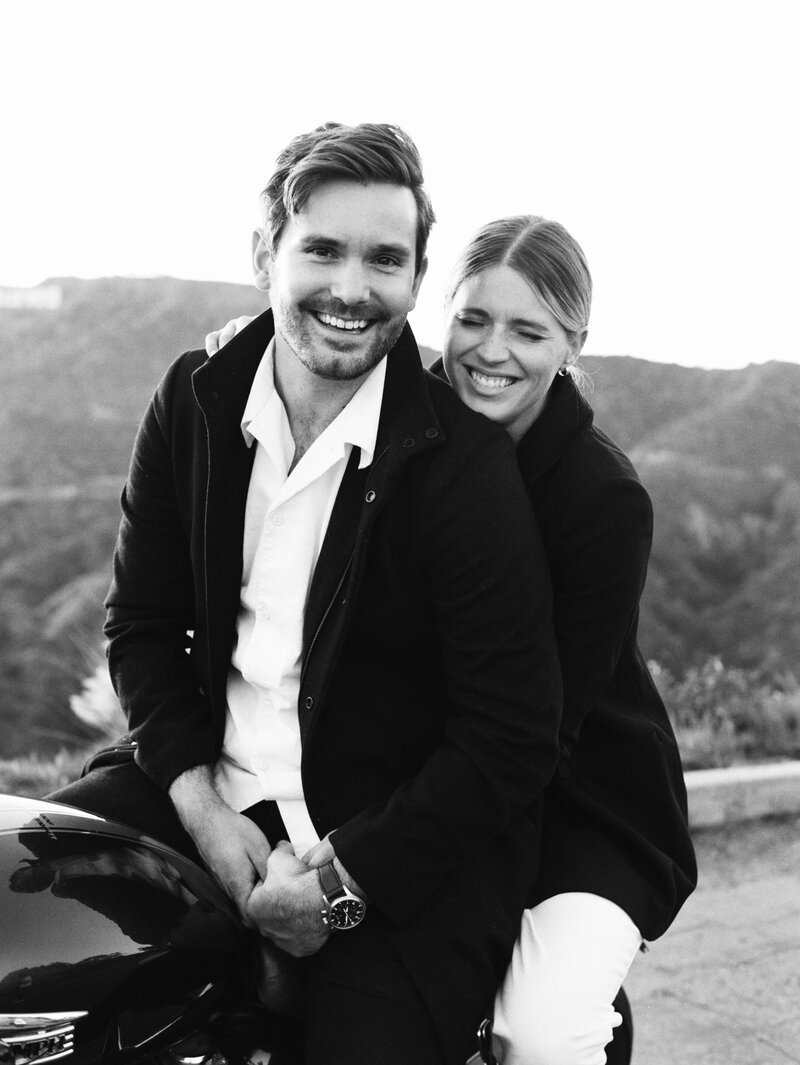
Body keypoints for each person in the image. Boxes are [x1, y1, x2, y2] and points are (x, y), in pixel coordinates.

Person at [48, 123, 564, 1065]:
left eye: (386, 259)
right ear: (264, 255)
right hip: (204, 783)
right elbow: (143, 625)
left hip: (402, 844)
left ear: (416, 278)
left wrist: (341, 884)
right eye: (321, 249)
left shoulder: (465, 466)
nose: (352, 288)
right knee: (26, 915)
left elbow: (511, 734)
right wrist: (201, 805)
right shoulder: (193, 399)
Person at [208, 214, 697, 1065]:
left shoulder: (603, 500)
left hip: (579, 800)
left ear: (574, 340)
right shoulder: (403, 425)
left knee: (542, 1030)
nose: (491, 350)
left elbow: (540, 730)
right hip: (433, 771)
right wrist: (243, 348)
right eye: (473, 318)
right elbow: (311, 365)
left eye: (528, 329)